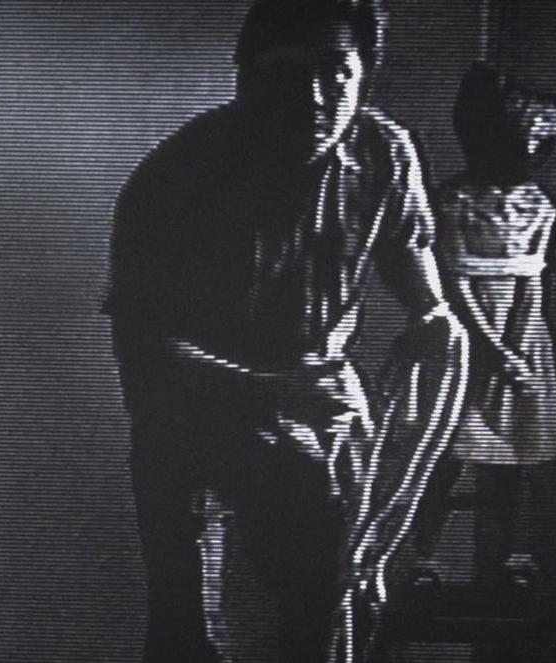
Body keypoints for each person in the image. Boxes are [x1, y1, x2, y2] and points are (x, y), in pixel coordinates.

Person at [103, 1, 467, 661]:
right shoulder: (177, 177)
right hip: (193, 423)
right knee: (191, 632)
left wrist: (435, 323)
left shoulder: (384, 152)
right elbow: (143, 345)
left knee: (325, 610)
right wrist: (267, 390)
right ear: (248, 77)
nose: (316, 95)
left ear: (364, 73)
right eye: (289, 73)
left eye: (337, 71)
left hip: (317, 417)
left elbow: (419, 280)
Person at [433, 63, 556, 587]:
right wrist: (491, 348)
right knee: (445, 454)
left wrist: (518, 347)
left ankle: (511, 557)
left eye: (542, 141)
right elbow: (456, 282)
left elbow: (532, 282)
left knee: (511, 458)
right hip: (463, 339)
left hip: (521, 338)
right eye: (524, 138)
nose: (533, 151)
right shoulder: (455, 201)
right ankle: (424, 559)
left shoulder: (539, 205)